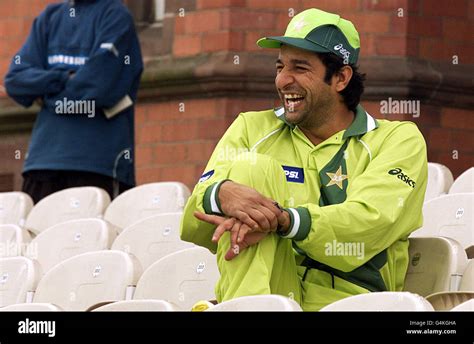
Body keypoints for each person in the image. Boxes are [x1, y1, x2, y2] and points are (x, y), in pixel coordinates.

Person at [180, 8, 427, 311]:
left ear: (340, 77)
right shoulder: (251, 127)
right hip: (270, 290)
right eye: (280, 66)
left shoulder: (397, 139)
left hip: (352, 302)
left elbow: (371, 221)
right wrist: (222, 195)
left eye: (299, 67)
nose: (283, 80)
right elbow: (192, 222)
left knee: (252, 182)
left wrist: (284, 221)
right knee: (249, 169)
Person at [5, 0, 143, 203]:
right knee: (39, 234)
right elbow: (15, 80)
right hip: (42, 164)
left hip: (97, 165)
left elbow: (101, 86)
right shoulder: (50, 17)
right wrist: (64, 78)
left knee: (93, 234)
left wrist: (47, 95)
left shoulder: (116, 16)